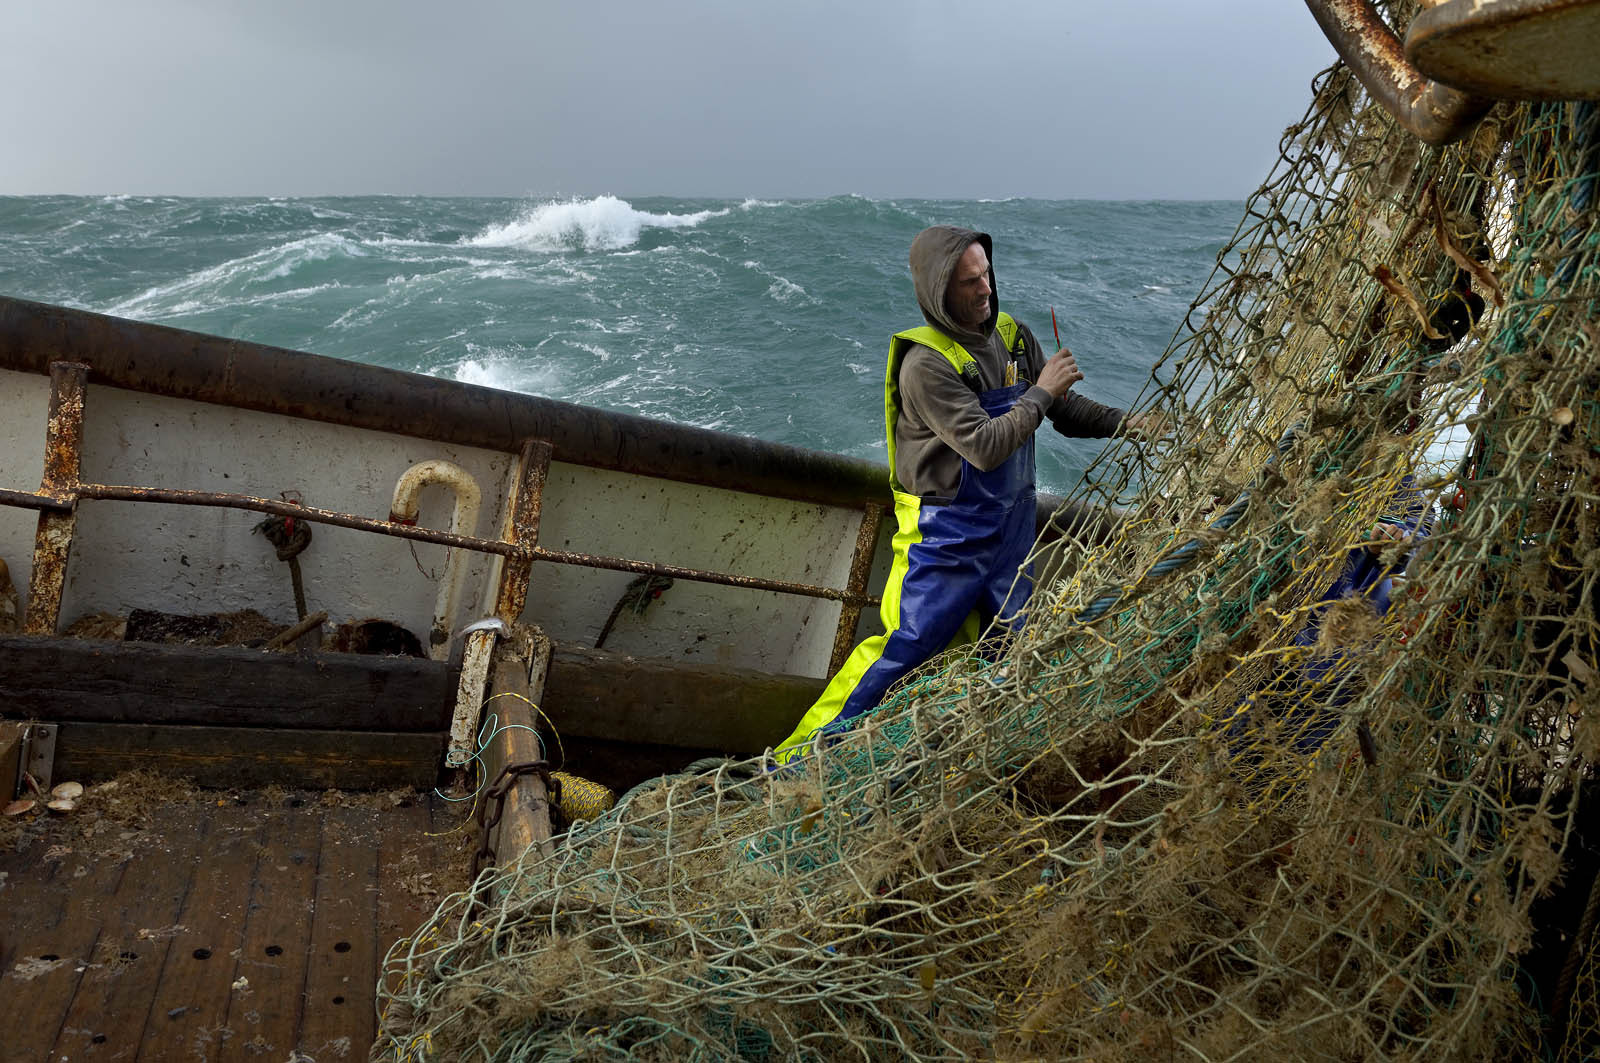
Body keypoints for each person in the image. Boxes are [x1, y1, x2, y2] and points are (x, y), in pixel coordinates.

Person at [774, 225, 1162, 760]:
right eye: (968, 282)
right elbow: (984, 446)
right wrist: (1044, 388)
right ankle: (797, 760)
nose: (984, 289)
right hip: (945, 537)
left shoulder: (1014, 336)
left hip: (1010, 533)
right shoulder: (925, 365)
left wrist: (1129, 422)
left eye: (986, 274)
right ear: (939, 291)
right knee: (906, 647)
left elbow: (1061, 412)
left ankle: (970, 763)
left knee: (1008, 649)